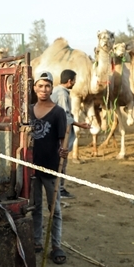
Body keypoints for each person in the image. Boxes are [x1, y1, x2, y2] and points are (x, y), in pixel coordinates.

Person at [30, 71, 69, 264]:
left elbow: (62, 141)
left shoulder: (58, 112)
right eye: (40, 86)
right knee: (35, 206)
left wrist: (64, 151)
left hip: (51, 167)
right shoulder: (28, 110)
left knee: (55, 209)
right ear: (34, 88)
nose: (44, 90)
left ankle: (56, 245)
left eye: (47, 86)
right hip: (31, 167)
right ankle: (37, 241)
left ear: (52, 88)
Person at [50, 69, 89, 199]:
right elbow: (65, 116)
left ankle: (57, 188)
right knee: (62, 161)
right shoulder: (62, 94)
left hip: (54, 132)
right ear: (69, 81)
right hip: (60, 133)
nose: (74, 83)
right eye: (74, 80)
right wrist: (79, 124)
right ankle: (59, 189)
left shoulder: (57, 91)